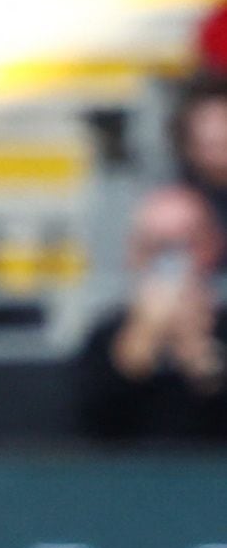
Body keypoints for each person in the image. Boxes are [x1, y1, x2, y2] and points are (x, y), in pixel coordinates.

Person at [71, 182, 227, 442]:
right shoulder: (104, 336)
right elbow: (89, 428)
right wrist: (140, 340)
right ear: (133, 252)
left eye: (184, 245)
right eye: (154, 246)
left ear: (212, 246)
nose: (169, 261)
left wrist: (198, 352)